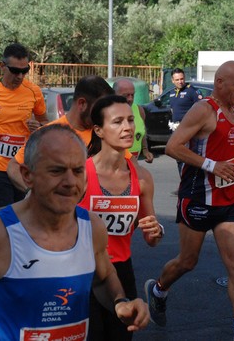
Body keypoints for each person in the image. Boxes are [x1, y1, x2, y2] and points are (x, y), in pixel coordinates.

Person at [0, 124, 150, 339]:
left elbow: (103, 277)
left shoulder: (92, 227)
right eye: (56, 170)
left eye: (77, 171)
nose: (70, 182)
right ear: (27, 175)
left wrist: (120, 302)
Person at [144, 61, 234, 341]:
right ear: (220, 82)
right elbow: (174, 147)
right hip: (197, 197)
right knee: (188, 261)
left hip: (226, 200)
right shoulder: (204, 109)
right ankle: (159, 289)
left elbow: (224, 152)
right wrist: (212, 166)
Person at [78, 95, 163, 341]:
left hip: (122, 272)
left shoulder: (142, 178)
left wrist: (156, 231)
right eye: (117, 122)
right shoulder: (81, 174)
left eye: (130, 120)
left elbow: (151, 238)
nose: (127, 127)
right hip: (83, 273)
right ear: (99, 130)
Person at [0, 43, 48, 211]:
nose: (20, 76)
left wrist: (39, 126)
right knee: (4, 214)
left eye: (24, 71)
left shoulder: (33, 91)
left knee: (17, 212)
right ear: (2, 66)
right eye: (15, 71)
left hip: (21, 163)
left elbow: (45, 122)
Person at [6, 75, 114, 192]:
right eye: (99, 109)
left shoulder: (103, 132)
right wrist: (35, 193)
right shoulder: (48, 134)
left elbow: (130, 164)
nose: (103, 115)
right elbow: (14, 166)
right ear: (82, 104)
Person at [113, 78, 154, 163]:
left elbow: (142, 132)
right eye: (126, 96)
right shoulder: (107, 113)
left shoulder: (139, 110)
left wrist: (145, 150)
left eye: (132, 95)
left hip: (133, 165)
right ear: (114, 94)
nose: (130, 99)